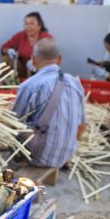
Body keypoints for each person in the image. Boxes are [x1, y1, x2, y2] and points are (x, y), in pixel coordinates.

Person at [12, 39, 86, 168]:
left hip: (39, 157)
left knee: (10, 122)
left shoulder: (29, 85)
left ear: (33, 60)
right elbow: (82, 126)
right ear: (59, 59)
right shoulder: (75, 83)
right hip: (66, 156)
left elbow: (13, 122)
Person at [1, 12, 53, 79]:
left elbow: (51, 54)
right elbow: (4, 47)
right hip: (21, 70)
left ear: (39, 26)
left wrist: (36, 60)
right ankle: (12, 83)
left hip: (39, 71)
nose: (28, 27)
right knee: (6, 58)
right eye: (26, 24)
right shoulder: (20, 36)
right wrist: (9, 50)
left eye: (31, 24)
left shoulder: (46, 37)